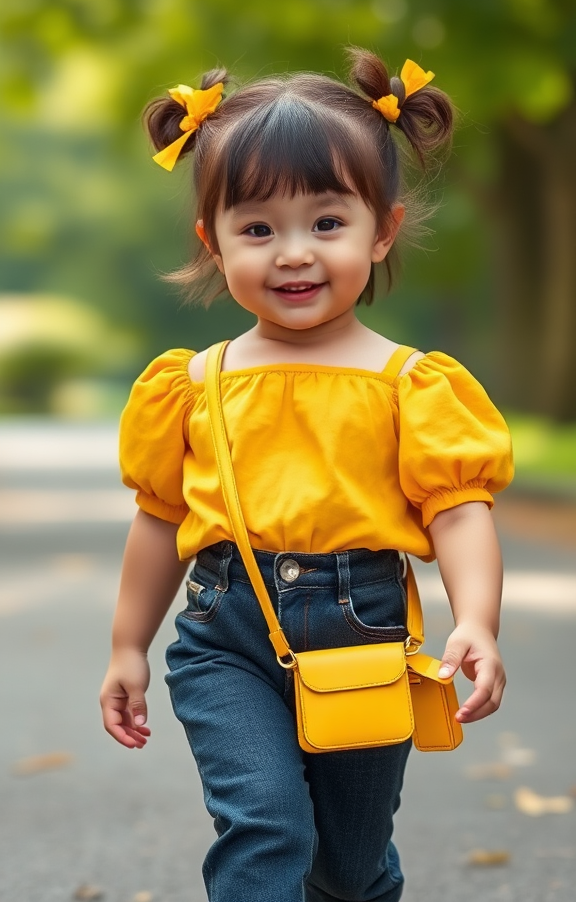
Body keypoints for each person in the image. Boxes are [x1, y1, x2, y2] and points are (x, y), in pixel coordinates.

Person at [100, 50, 514, 902]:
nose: (294, 254)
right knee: (265, 823)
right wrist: (127, 646)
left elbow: (459, 508)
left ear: (383, 229)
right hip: (226, 634)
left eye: (327, 224)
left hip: (362, 628)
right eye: (258, 229)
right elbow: (158, 519)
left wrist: (477, 616)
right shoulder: (194, 383)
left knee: (350, 865)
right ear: (212, 241)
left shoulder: (410, 383)